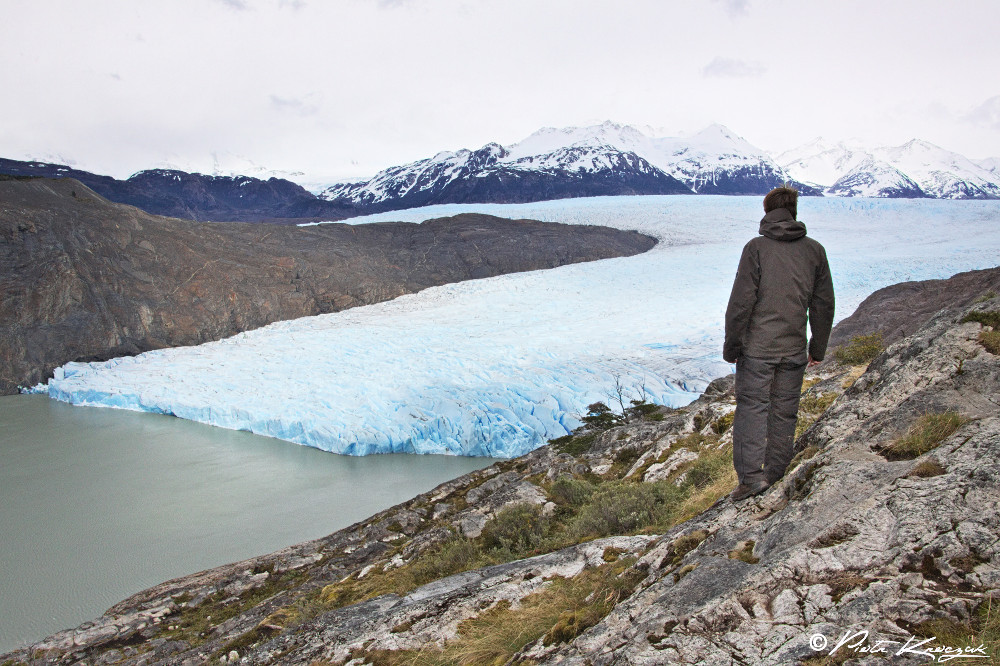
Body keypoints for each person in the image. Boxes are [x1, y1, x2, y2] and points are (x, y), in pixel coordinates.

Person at [723, 186, 835, 501]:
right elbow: (824, 303)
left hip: (757, 351)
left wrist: (732, 346)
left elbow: (741, 303)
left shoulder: (756, 249)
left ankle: (751, 480)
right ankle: (775, 474)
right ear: (794, 212)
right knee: (784, 412)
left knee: (752, 410)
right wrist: (817, 348)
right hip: (794, 350)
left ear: (767, 212)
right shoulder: (815, 251)